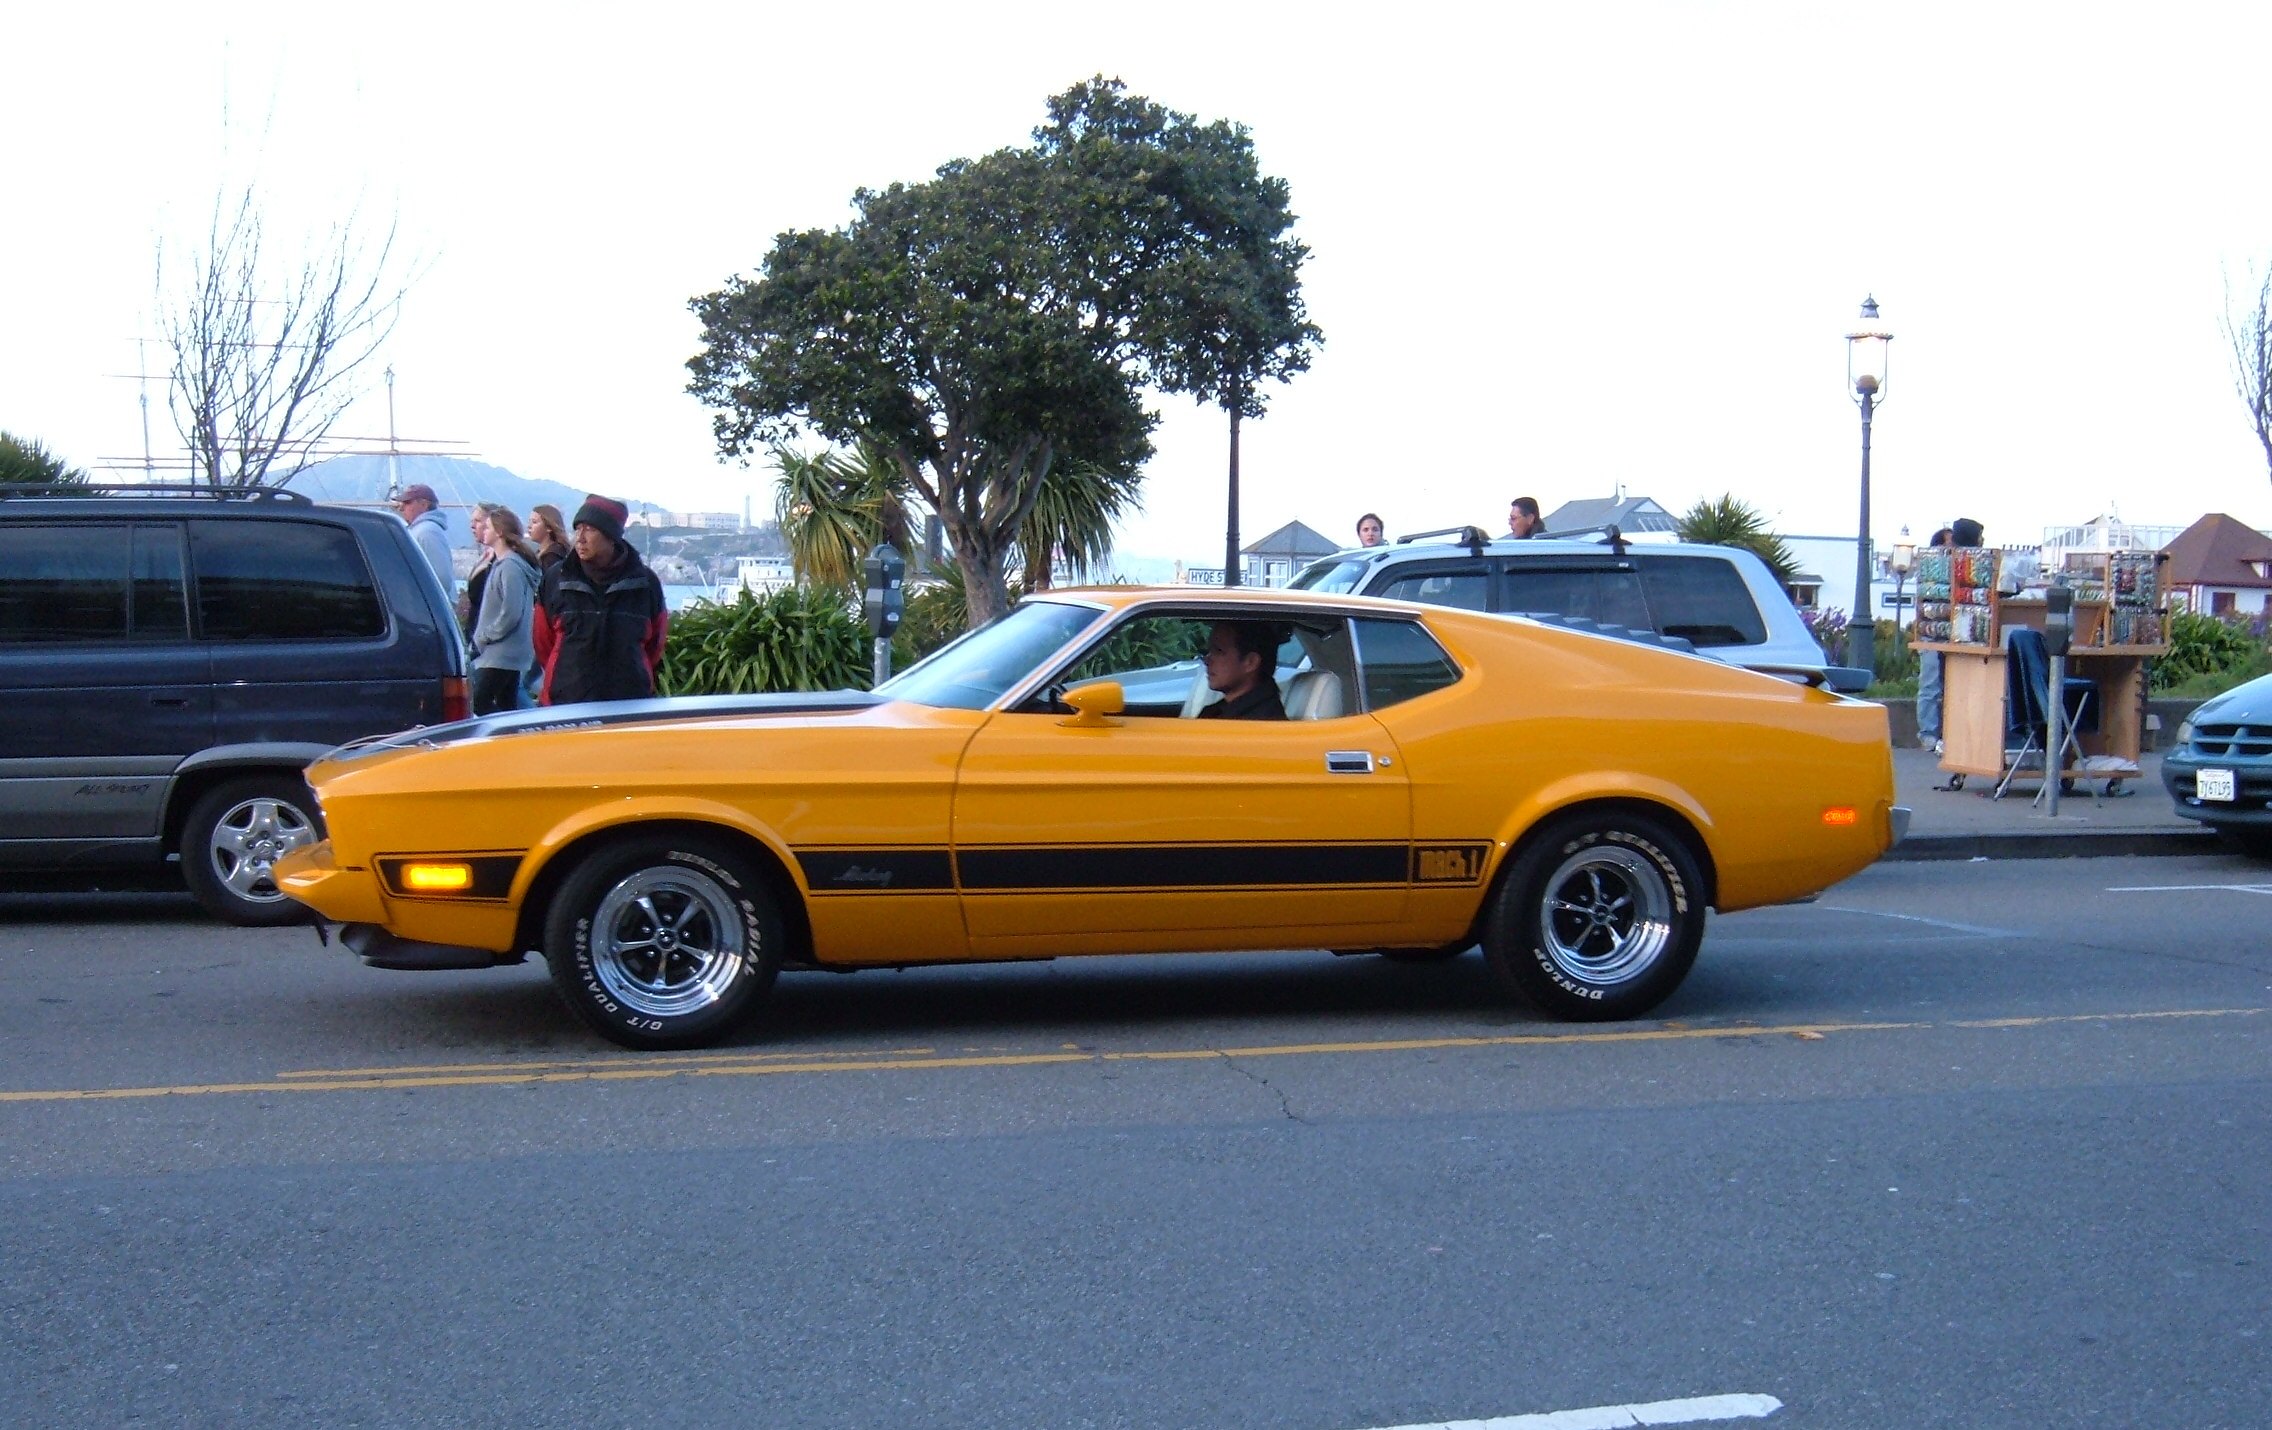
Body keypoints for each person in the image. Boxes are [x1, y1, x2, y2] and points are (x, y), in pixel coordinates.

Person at [534, 494, 669, 706]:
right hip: (563, 707)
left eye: (590, 529)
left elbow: (655, 645)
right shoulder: (555, 579)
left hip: (629, 708)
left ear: (611, 536)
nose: (580, 538)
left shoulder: (645, 583)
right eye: (578, 528)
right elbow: (543, 643)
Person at [469, 508, 543, 715]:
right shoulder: (504, 563)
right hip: (506, 651)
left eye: (489, 527)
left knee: (478, 701)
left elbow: (511, 611)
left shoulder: (510, 566)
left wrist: (486, 635)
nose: (484, 530)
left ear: (500, 532)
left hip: (501, 652)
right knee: (507, 706)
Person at [1195, 620, 1287, 721]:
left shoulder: (1260, 724)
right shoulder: (1222, 711)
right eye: (1209, 651)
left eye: (1219, 651)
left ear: (1250, 662)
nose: (1207, 661)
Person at [1915, 526, 1954, 753]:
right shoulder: (1930, 573)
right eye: (1947, 545)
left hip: (1948, 635)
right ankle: (1928, 734)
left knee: (1945, 686)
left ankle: (1942, 734)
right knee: (1930, 685)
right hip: (1929, 635)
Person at [394, 484, 454, 593]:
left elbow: (442, 578)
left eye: (407, 502)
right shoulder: (422, 530)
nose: (401, 507)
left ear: (424, 504)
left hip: (428, 607)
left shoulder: (426, 532)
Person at [458, 502, 502, 644]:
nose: (472, 526)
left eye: (477, 521)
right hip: (474, 631)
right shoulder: (486, 556)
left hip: (487, 640)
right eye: (472, 521)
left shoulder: (501, 561)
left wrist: (487, 636)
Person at [526, 503, 570, 571]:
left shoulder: (552, 557)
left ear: (549, 527)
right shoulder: (542, 553)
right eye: (529, 522)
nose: (529, 526)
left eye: (534, 522)